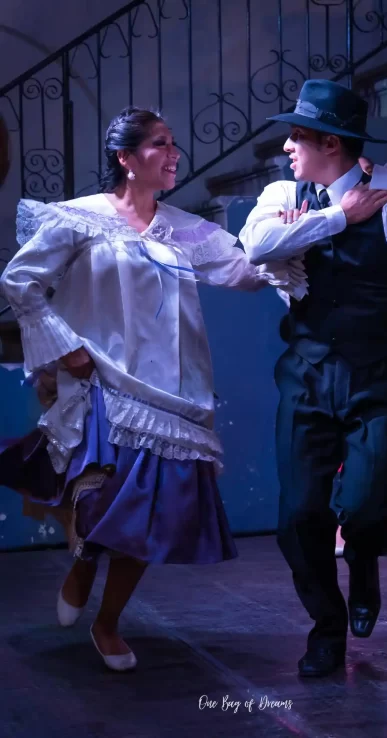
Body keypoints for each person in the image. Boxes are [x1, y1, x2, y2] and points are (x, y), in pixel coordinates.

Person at [0, 106, 297, 672]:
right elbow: (20, 280)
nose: (173, 154)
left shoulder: (185, 228)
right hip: (102, 383)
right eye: (160, 144)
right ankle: (85, 564)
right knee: (103, 501)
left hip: (169, 393)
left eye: (173, 143)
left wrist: (291, 229)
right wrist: (64, 345)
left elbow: (242, 272)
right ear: (125, 158)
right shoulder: (80, 219)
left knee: (151, 516)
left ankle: (108, 623)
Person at [239, 79, 387, 678]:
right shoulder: (281, 198)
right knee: (297, 517)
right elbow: (255, 248)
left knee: (366, 508)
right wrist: (336, 217)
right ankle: (327, 628)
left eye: (299, 136)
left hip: (378, 378)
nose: (287, 146)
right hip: (306, 378)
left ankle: (364, 559)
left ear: (331, 144)